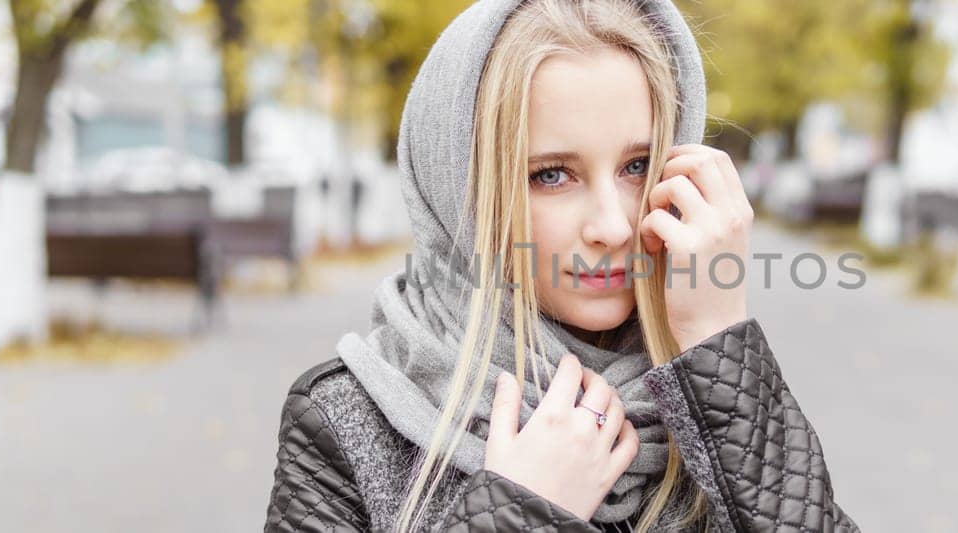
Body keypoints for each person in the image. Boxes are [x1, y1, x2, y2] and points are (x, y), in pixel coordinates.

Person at [264, 0, 861, 531]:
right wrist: (522, 510)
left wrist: (718, 345)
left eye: (637, 166)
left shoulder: (710, 390)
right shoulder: (345, 421)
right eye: (551, 175)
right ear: (463, 195)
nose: (613, 226)